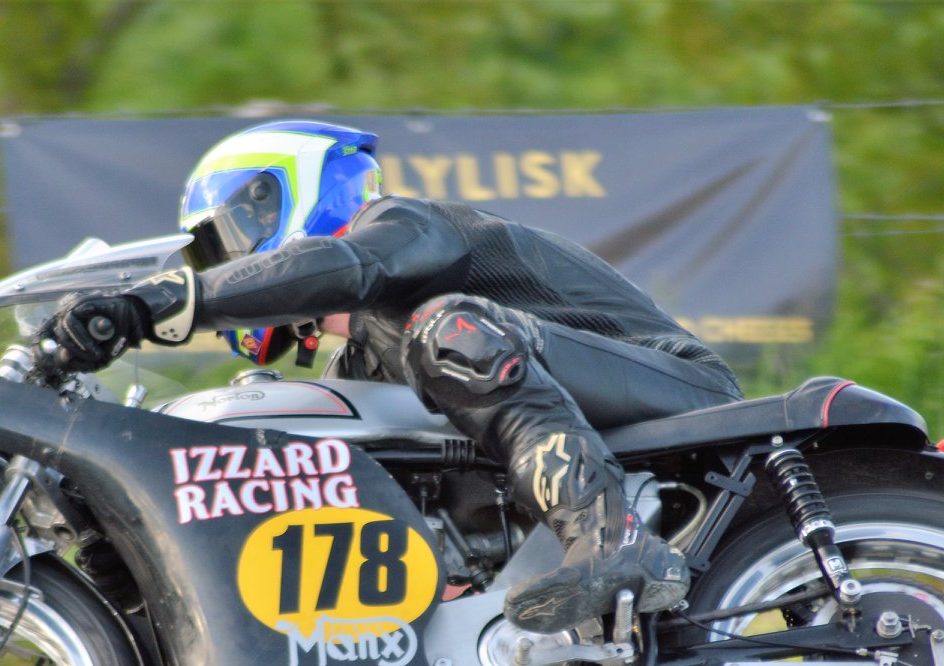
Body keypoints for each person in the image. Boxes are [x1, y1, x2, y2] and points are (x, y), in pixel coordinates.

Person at [39, 120, 741, 635]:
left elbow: (352, 269)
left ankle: (609, 536)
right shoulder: (358, 360)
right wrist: (134, 552)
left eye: (226, 245)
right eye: (210, 261)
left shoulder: (404, 226)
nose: (224, 268)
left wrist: (164, 303)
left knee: (448, 331)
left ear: (278, 198)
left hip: (678, 393)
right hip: (584, 422)